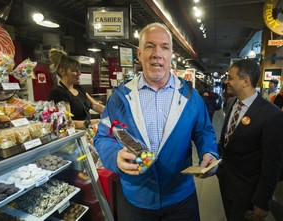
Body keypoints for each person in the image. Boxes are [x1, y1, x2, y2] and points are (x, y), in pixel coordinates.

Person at [94, 22, 219, 221]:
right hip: (136, 199)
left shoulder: (190, 96)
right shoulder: (120, 97)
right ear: (139, 54)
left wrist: (209, 152)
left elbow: (204, 131)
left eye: (164, 47)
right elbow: (102, 136)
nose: (157, 53)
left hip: (180, 198)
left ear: (171, 56)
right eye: (150, 46)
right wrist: (114, 155)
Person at [217, 59, 283, 221]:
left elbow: (272, 163)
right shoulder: (231, 102)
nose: (226, 82)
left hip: (249, 193)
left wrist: (262, 201)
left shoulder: (271, 115)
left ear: (245, 81)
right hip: (226, 184)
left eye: (231, 78)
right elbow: (226, 142)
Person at [47, 48, 105, 129]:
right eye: (75, 71)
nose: (79, 73)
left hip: (88, 132)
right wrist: (95, 122)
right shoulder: (58, 93)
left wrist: (114, 112)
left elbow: (95, 105)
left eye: (79, 70)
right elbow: (67, 123)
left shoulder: (78, 88)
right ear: (62, 72)